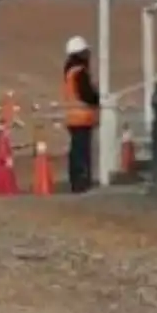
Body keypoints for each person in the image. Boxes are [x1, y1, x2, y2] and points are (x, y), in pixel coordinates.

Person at [62, 35, 100, 194]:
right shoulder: (79, 72)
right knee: (82, 152)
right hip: (82, 118)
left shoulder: (69, 72)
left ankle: (76, 181)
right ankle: (81, 182)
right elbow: (86, 94)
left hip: (73, 118)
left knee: (76, 151)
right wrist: (97, 97)